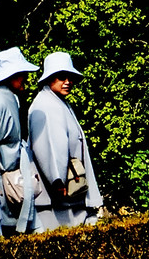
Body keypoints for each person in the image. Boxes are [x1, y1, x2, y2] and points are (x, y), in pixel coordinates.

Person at [27, 51, 103, 231]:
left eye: (70, 77)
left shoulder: (57, 102)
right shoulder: (45, 105)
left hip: (69, 198)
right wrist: (58, 180)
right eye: (61, 77)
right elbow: (50, 148)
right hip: (58, 201)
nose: (67, 81)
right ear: (49, 78)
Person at [0, 47, 39, 235]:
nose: (25, 78)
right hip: (2, 182)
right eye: (21, 74)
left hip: (12, 180)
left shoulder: (9, 98)